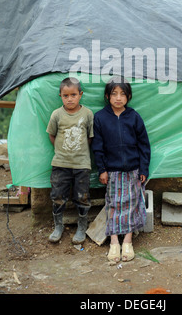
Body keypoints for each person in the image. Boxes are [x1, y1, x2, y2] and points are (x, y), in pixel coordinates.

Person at [92, 77, 151, 263]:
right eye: (114, 94)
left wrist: (143, 168)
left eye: (123, 94)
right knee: (114, 205)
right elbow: (98, 146)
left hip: (133, 170)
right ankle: (114, 242)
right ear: (107, 96)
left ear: (129, 96)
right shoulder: (100, 117)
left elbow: (144, 145)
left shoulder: (134, 117)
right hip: (112, 171)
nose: (118, 98)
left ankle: (128, 241)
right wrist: (102, 169)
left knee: (132, 204)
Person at [46, 77, 94, 244]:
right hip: (60, 163)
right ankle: (58, 226)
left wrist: (78, 151)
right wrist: (63, 151)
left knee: (82, 196)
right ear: (60, 96)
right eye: (65, 96)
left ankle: (82, 226)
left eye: (73, 95)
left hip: (82, 164)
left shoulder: (87, 114)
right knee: (58, 195)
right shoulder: (57, 114)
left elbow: (89, 138)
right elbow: (52, 135)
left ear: (80, 95)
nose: (70, 99)